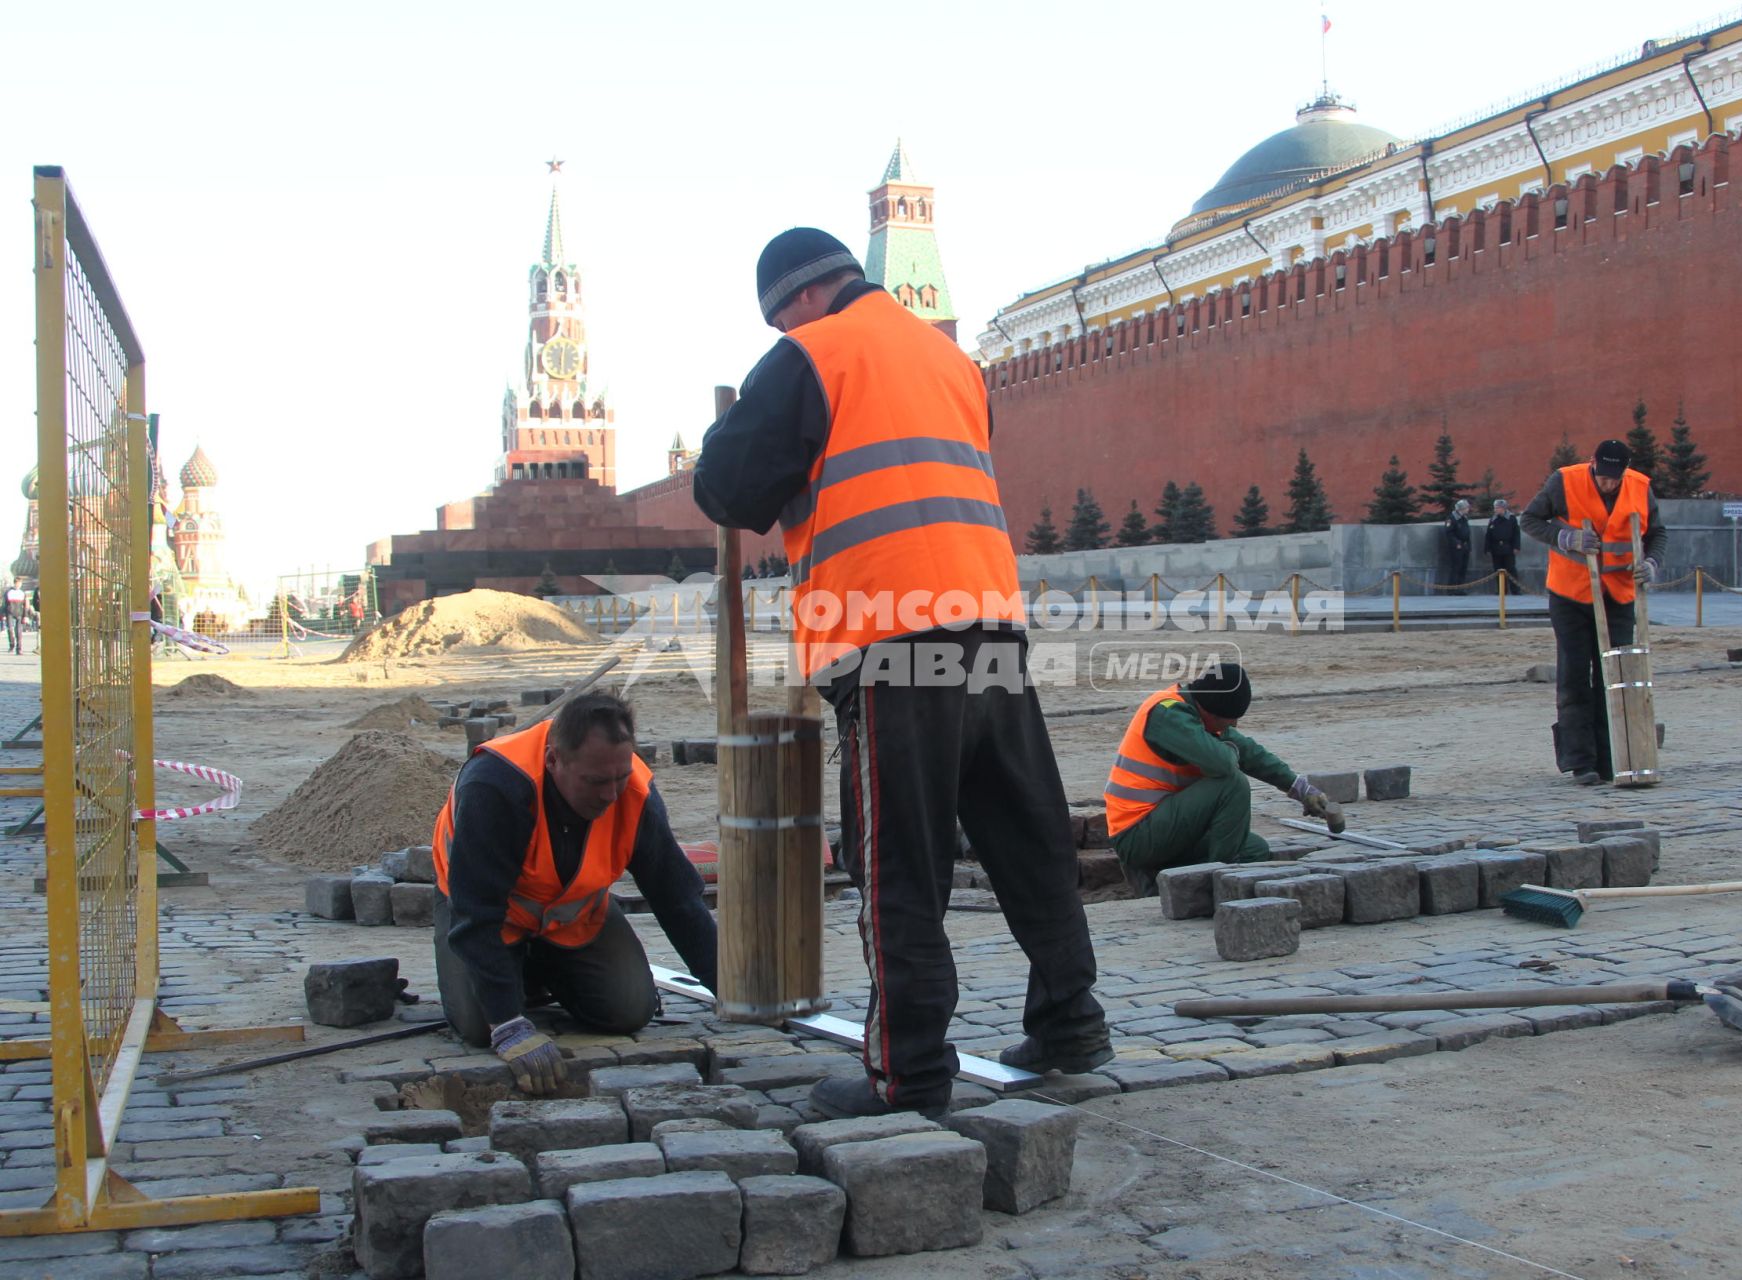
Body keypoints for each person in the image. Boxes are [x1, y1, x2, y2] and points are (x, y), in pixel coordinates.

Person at [693, 227, 1107, 1120]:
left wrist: (729, 428)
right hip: (990, 622)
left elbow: (728, 492)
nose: (779, 332)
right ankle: (1071, 1022)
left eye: (777, 319)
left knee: (896, 868)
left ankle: (909, 1073)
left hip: (889, 636)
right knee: (1026, 839)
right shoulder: (947, 358)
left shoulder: (811, 354)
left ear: (798, 300)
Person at [431, 692, 717, 1094]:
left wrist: (730, 987)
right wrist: (508, 1024)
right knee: (482, 1026)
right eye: (596, 782)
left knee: (629, 1010)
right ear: (553, 761)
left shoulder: (634, 792)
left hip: (571, 918)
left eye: (620, 777)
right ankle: (513, 975)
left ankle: (537, 970)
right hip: (487, 918)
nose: (610, 794)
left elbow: (677, 898)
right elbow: (475, 913)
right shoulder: (495, 787)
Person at [1107, 663, 1345, 897]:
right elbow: (1223, 763)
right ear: (1211, 711)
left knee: (1254, 850)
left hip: (1167, 829)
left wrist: (1302, 789)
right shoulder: (1168, 713)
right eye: (1230, 718)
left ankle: (1163, 881)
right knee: (1232, 783)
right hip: (1137, 835)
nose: (1234, 724)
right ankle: (1220, 882)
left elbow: (1251, 753)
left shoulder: (1202, 718)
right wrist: (1229, 748)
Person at [1520, 439, 1668, 785]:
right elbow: (1529, 520)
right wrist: (1565, 538)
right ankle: (1580, 761)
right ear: (1593, 464)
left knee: (1614, 675)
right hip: (1570, 593)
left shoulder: (1640, 486)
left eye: (1615, 478)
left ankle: (1613, 756)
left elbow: (1658, 534)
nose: (1609, 483)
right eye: (1603, 477)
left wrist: (1651, 562)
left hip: (1618, 594)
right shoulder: (1564, 480)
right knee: (1574, 674)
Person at [1484, 498, 1522, 589]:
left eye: (1497, 508)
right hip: (1496, 548)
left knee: (1511, 569)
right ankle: (1501, 590)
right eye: (1495, 508)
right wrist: (1487, 548)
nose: (1495, 510)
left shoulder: (1511, 519)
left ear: (1503, 508)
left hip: (1508, 547)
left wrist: (1516, 547)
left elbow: (1516, 534)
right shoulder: (1493, 519)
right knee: (1498, 570)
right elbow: (1488, 535)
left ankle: (1515, 589)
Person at [1442, 499, 1472, 588]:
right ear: (1461, 509)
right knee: (1456, 567)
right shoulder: (1452, 518)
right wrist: (1457, 543)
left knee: (1463, 568)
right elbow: (1449, 533)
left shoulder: (1464, 518)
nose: (1468, 510)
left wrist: (1469, 547)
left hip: (1465, 545)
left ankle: (1460, 587)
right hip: (1456, 547)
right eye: (1467, 508)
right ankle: (1452, 588)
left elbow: (1467, 533)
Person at [2, 583, 23, 654]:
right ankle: (12, 645)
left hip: (19, 613)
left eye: (20, 584)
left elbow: (26, 604)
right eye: (17, 584)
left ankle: (19, 648)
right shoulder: (8, 592)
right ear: (14, 584)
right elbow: (4, 603)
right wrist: (3, 614)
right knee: (10, 630)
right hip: (9, 613)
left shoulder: (22, 593)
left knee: (18, 631)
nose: (19, 586)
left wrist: (25, 615)